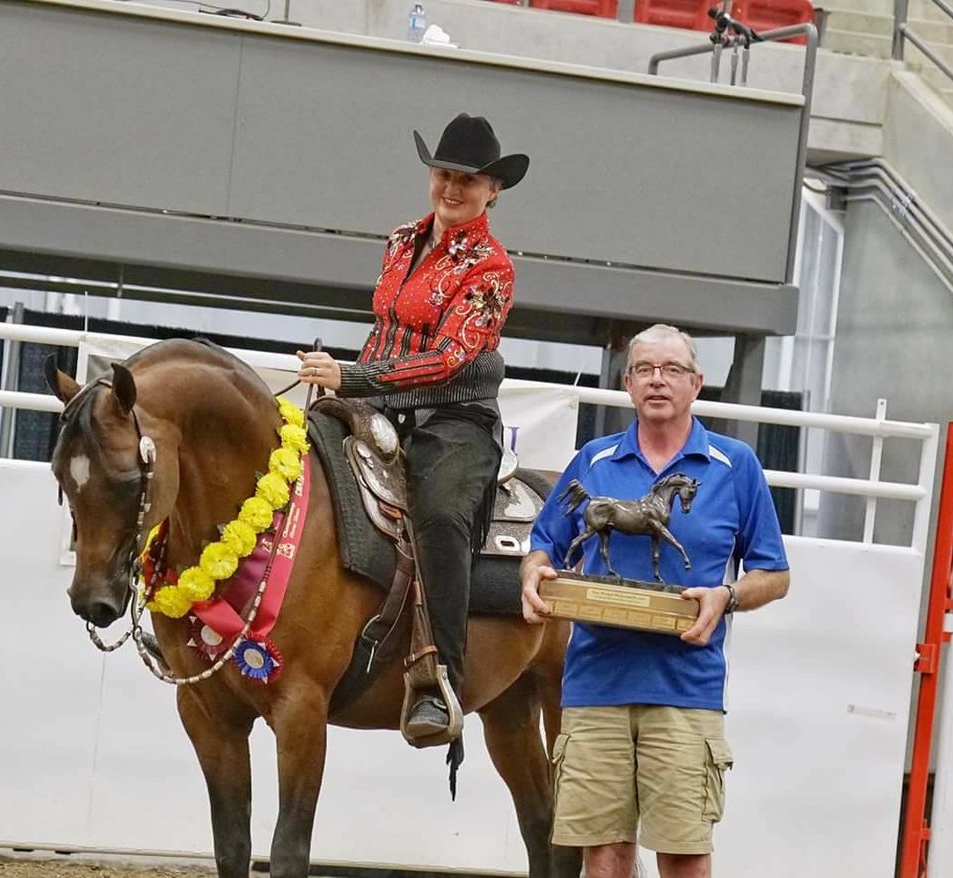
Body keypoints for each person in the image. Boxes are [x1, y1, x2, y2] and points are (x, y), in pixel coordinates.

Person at [520, 323, 790, 878]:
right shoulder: (594, 461)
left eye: (671, 371)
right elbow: (544, 545)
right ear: (627, 383)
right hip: (596, 685)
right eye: (645, 370)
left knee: (685, 858)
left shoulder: (734, 465)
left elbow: (775, 573)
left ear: (697, 383)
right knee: (605, 857)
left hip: (686, 690)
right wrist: (532, 574)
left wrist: (726, 596)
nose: (657, 381)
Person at [297, 113, 529, 738]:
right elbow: (386, 332)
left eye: (469, 180)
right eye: (444, 174)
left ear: (493, 190)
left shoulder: (492, 267)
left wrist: (353, 380)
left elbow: (450, 358)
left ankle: (440, 676)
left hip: (456, 418)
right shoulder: (402, 240)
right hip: (383, 402)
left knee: (440, 515)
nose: (453, 188)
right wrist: (344, 390)